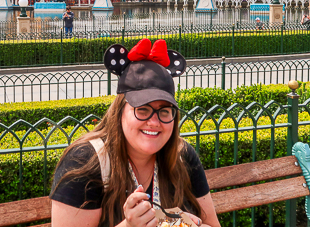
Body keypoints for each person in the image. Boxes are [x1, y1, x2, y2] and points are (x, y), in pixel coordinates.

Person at [51, 39, 221, 227]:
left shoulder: (182, 155)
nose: (154, 122)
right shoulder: (84, 162)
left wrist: (184, 223)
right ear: (120, 112)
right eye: (142, 109)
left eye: (164, 111)